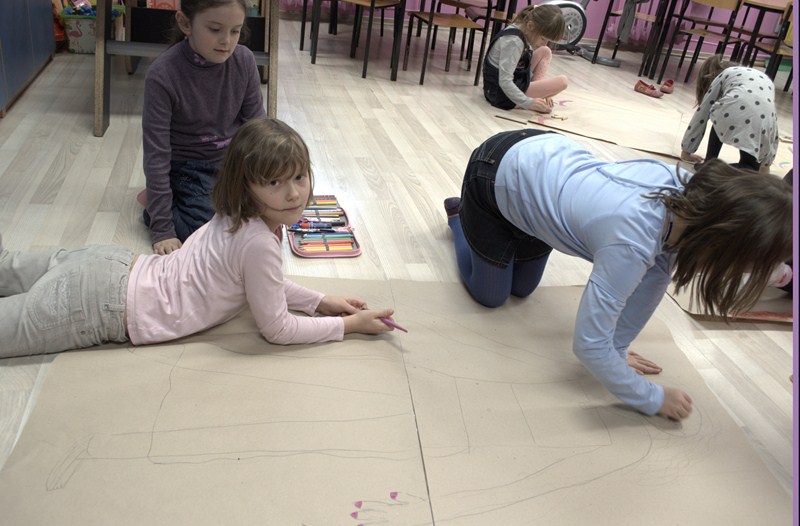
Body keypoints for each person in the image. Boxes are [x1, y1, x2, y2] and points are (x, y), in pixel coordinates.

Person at [443, 129, 792, 421]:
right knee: (492, 296)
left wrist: (619, 349)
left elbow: (652, 284)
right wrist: (651, 398)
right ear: (720, 242)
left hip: (536, 178)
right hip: (493, 171)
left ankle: (510, 229)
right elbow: (588, 346)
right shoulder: (631, 240)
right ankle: (460, 217)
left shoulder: (696, 202)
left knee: (522, 289)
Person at [0, 118, 397, 359]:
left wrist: (321, 301)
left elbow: (263, 284)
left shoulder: (232, 213)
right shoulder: (259, 242)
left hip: (111, 265)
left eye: (298, 176)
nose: (293, 193)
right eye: (274, 182)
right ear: (247, 185)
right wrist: (349, 326)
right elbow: (278, 329)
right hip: (99, 305)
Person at [142, 0, 267, 255]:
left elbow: (258, 132)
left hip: (233, 165)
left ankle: (169, 200)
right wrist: (163, 227)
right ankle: (158, 206)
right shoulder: (162, 74)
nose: (226, 41)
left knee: (269, 213)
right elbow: (156, 155)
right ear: (185, 23)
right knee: (211, 234)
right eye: (214, 29)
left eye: (235, 31)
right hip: (187, 169)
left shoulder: (244, 60)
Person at [680, 55, 779, 174]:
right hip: (765, 123)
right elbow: (772, 129)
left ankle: (710, 163)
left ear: (712, 76)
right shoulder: (762, 77)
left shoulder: (724, 74)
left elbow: (702, 114)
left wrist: (686, 151)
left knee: (721, 114)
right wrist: (766, 164)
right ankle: (748, 168)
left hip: (733, 108)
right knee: (750, 166)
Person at [482, 4, 568, 114]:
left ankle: (538, 91)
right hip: (501, 95)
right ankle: (536, 94)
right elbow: (504, 81)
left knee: (545, 51)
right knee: (563, 81)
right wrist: (528, 102)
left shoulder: (520, 28)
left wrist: (541, 90)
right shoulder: (514, 42)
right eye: (543, 38)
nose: (544, 43)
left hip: (509, 83)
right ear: (530, 25)